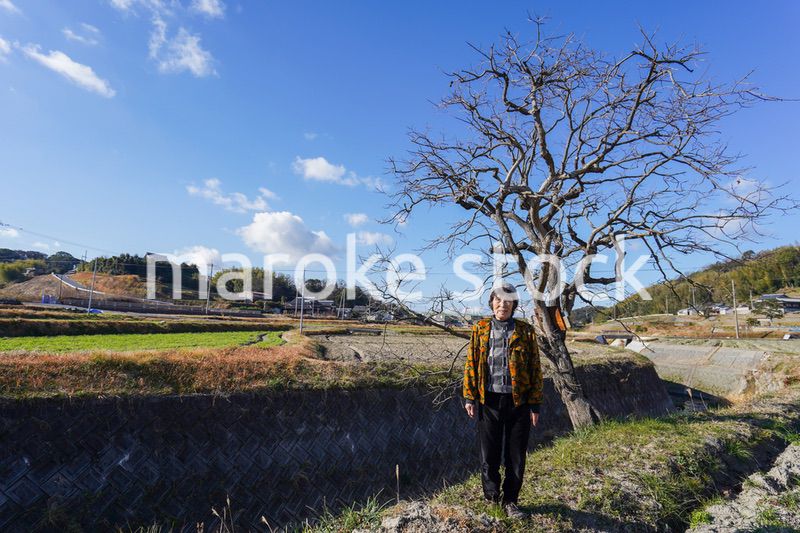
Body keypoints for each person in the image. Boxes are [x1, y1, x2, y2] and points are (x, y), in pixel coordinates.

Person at [463, 284, 543, 519]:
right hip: (489, 401)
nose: (503, 305)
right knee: (489, 454)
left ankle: (511, 501)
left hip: (519, 403)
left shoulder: (526, 331)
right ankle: (491, 498)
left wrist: (535, 404)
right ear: (492, 303)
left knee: (515, 456)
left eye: (508, 302)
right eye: (499, 300)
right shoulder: (480, 328)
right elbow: (471, 362)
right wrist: (469, 396)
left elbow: (535, 368)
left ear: (514, 305)